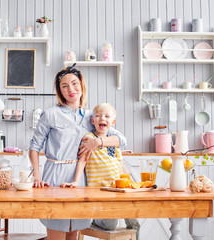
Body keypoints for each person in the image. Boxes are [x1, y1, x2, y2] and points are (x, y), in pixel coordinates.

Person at [29, 64, 126, 240]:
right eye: (64, 86)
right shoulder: (50, 115)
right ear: (60, 91)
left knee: (75, 232)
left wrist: (98, 142)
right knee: (57, 230)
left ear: (82, 86)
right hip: (55, 178)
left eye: (74, 83)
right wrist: (36, 177)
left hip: (81, 180)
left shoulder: (93, 116)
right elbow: (34, 147)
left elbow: (121, 140)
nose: (70, 89)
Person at [60, 103, 140, 238]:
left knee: (134, 221)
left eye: (107, 116)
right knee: (110, 224)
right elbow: (82, 160)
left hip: (116, 190)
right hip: (99, 192)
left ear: (113, 122)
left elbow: (120, 164)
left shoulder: (114, 142)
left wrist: (131, 183)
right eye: (98, 116)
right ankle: (92, 220)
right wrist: (75, 180)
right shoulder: (89, 139)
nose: (102, 118)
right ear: (93, 121)